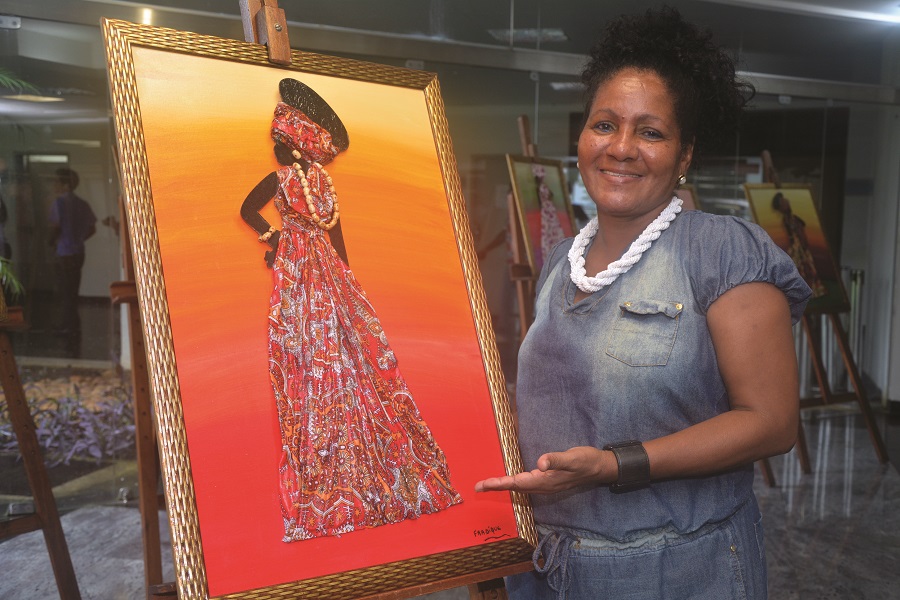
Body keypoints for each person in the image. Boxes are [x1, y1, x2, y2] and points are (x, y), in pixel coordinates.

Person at [475, 8, 812, 599]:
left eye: (651, 133)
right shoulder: (562, 260)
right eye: (604, 125)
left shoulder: (721, 250)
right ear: (582, 137)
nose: (622, 148)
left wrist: (614, 465)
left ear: (684, 156)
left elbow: (771, 423)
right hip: (545, 569)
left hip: (673, 573)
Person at [241, 78, 461, 543]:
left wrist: (346, 277)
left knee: (353, 350)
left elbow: (333, 231)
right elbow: (249, 210)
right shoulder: (284, 181)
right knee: (309, 352)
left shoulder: (322, 182)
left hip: (323, 267)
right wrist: (274, 237)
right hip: (300, 268)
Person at [48, 167, 96, 355]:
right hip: (78, 252)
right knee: (72, 289)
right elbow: (92, 228)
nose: (54, 185)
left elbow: (56, 226)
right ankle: (72, 325)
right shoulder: (82, 204)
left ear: (66, 184)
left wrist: (51, 242)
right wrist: (78, 239)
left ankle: (68, 327)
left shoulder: (59, 203)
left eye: (57, 182)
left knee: (65, 291)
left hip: (64, 252)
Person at [772, 191, 827, 298]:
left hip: (801, 248)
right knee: (803, 270)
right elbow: (793, 235)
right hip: (798, 249)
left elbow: (801, 232)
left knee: (809, 269)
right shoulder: (788, 220)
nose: (787, 202)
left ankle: (814, 290)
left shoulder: (794, 218)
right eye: (783, 202)